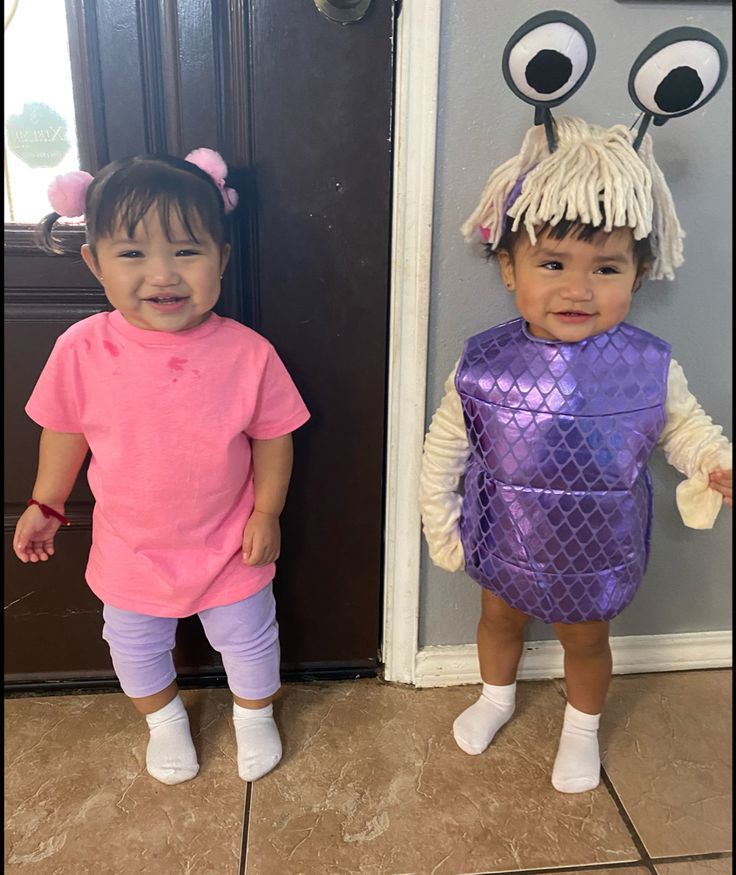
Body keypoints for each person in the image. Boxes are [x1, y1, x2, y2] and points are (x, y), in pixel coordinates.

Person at [418, 115, 732, 794]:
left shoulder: (649, 365)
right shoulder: (485, 363)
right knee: (497, 618)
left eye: (607, 268)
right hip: (505, 536)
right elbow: (446, 443)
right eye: (553, 263)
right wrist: (438, 520)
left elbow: (682, 426)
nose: (578, 289)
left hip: (594, 549)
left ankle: (582, 728)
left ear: (639, 274)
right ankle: (497, 696)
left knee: (585, 640)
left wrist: (713, 461)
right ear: (509, 267)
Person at [13, 148, 310, 786]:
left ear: (221, 259)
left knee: (252, 641)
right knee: (134, 647)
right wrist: (46, 503)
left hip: (230, 542)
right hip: (130, 547)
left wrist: (267, 512)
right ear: (94, 262)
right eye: (132, 254)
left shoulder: (247, 353)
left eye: (185, 251)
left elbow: (274, 437)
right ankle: (164, 720)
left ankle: (255, 714)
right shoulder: (82, 350)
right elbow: (64, 429)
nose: (162, 274)